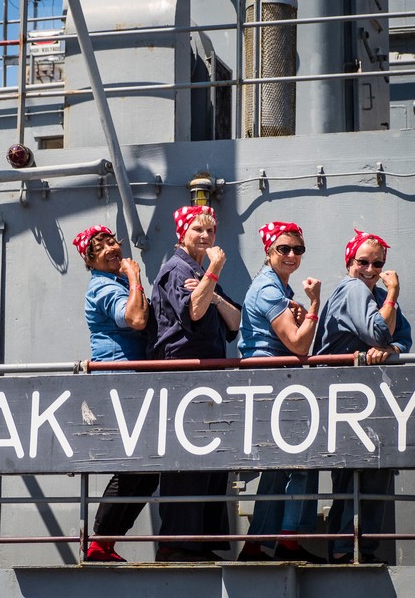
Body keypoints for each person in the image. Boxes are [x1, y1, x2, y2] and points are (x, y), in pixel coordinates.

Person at [146, 205, 242, 562]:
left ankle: (200, 540)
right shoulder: (176, 269)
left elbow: (235, 321)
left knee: (210, 456)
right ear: (181, 233)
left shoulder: (198, 271)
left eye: (210, 231)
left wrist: (212, 290)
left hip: (207, 377)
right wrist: (214, 270)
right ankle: (178, 541)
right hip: (182, 377)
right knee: (186, 458)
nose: (205, 236)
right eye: (198, 230)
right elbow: (194, 312)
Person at [313, 228, 412, 564]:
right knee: (360, 471)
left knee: (361, 472)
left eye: (377, 263)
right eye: (363, 262)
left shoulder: (371, 294)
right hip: (345, 395)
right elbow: (378, 331)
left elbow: (402, 337)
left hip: (360, 398)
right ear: (349, 261)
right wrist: (394, 293)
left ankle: (349, 549)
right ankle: (348, 550)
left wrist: (391, 349)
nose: (370, 269)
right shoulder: (354, 288)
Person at [237, 221, 325, 564]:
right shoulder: (269, 290)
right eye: (283, 249)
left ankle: (260, 544)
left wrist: (301, 313)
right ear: (268, 251)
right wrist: (314, 304)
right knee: (299, 460)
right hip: (273, 381)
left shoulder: (277, 288)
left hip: (277, 379)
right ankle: (284, 539)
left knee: (281, 465)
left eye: (297, 250)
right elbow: (299, 344)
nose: (291, 255)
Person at [72, 224, 159, 562]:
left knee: (148, 469)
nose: (111, 248)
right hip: (120, 382)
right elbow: (136, 319)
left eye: (112, 241)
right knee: (133, 465)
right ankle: (98, 543)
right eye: (100, 247)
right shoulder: (103, 287)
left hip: (137, 380)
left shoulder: (118, 283)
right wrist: (135, 276)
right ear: (90, 260)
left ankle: (106, 543)